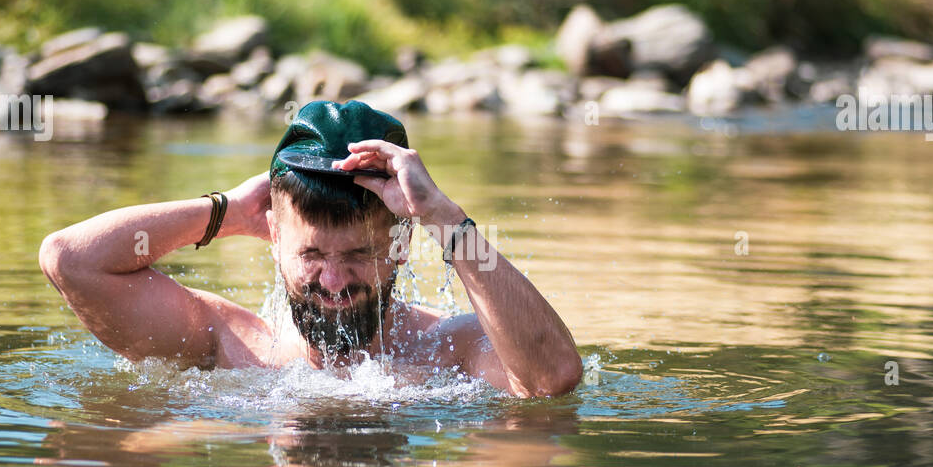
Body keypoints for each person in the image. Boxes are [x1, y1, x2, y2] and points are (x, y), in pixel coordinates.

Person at [37, 100, 582, 397]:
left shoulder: (450, 350)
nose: (335, 282)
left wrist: (443, 217)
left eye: (356, 257)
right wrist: (223, 210)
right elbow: (70, 260)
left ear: (399, 246)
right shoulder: (227, 344)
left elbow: (551, 377)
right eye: (313, 256)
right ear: (274, 238)